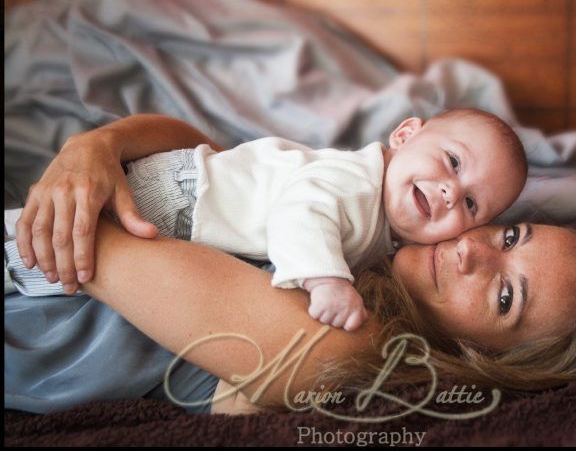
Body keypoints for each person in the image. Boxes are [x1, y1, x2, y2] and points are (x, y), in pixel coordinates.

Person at [4, 127, 576, 424]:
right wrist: (93, 145)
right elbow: (209, 156)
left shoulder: (342, 340)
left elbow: (87, 236)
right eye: (510, 234)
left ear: (489, 355)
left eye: (503, 293)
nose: (468, 249)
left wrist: (89, 170)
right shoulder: (373, 236)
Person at [9, 110, 527, 332]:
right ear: (405, 134)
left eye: (471, 206)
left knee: (65, 262)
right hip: (181, 199)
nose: (447, 192)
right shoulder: (357, 180)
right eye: (453, 163)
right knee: (56, 251)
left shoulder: (383, 230)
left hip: (198, 214)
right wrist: (327, 280)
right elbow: (301, 212)